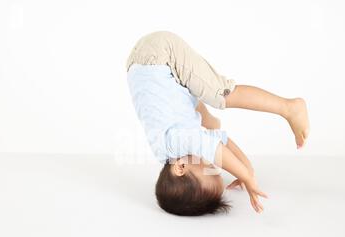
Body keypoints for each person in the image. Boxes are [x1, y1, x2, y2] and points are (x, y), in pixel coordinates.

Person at [126, 31, 310, 216]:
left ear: (180, 168)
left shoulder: (173, 145)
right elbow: (222, 142)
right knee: (209, 124)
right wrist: (247, 170)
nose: (212, 163)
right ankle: (208, 119)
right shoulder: (173, 147)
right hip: (147, 69)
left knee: (221, 95)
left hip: (158, 57)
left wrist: (245, 176)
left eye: (210, 168)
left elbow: (216, 149)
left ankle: (289, 107)